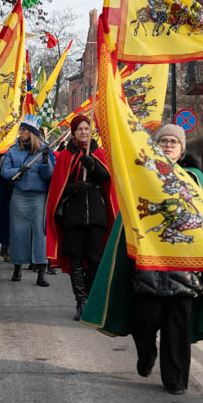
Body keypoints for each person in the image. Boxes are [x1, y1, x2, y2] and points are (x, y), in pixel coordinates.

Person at [81, 123, 203, 396]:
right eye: (163, 141)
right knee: (143, 320)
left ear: (181, 149)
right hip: (149, 266)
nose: (168, 145)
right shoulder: (143, 174)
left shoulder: (193, 178)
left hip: (184, 266)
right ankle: (146, 353)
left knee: (177, 328)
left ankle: (175, 380)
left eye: (173, 142)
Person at [46, 115, 117, 320]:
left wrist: (93, 165)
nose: (84, 132)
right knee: (76, 259)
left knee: (95, 259)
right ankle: (81, 302)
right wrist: (74, 187)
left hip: (96, 213)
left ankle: (89, 295)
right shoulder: (65, 156)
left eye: (87, 128)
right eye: (80, 129)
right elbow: (58, 187)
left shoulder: (98, 153)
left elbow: (106, 177)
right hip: (73, 214)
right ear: (74, 132)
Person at [0, 113, 54, 287]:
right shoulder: (13, 150)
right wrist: (18, 170)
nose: (20, 132)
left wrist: (45, 159)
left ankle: (41, 272)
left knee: (40, 233)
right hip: (19, 196)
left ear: (31, 132)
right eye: (20, 129)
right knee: (18, 232)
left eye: (23, 130)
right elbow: (4, 172)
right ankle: (17, 267)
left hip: (39, 197)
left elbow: (49, 175)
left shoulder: (44, 149)